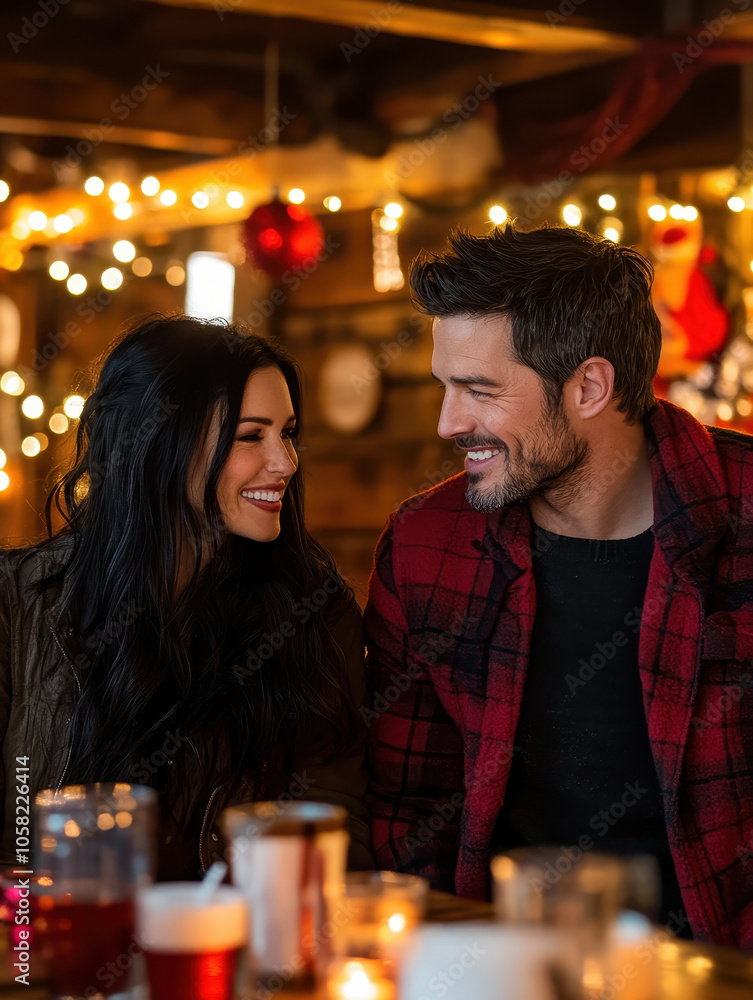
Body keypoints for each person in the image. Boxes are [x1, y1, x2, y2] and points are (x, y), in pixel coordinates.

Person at [364, 223, 753, 951]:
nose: (450, 421)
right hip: (501, 966)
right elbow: (408, 811)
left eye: (478, 390)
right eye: (444, 387)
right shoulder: (425, 544)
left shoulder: (743, 512)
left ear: (588, 386)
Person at [0, 314, 372, 878]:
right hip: (42, 947)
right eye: (251, 436)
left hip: (224, 953)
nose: (285, 463)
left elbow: (332, 826)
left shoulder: (314, 614)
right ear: (157, 446)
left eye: (287, 433)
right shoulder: (15, 603)